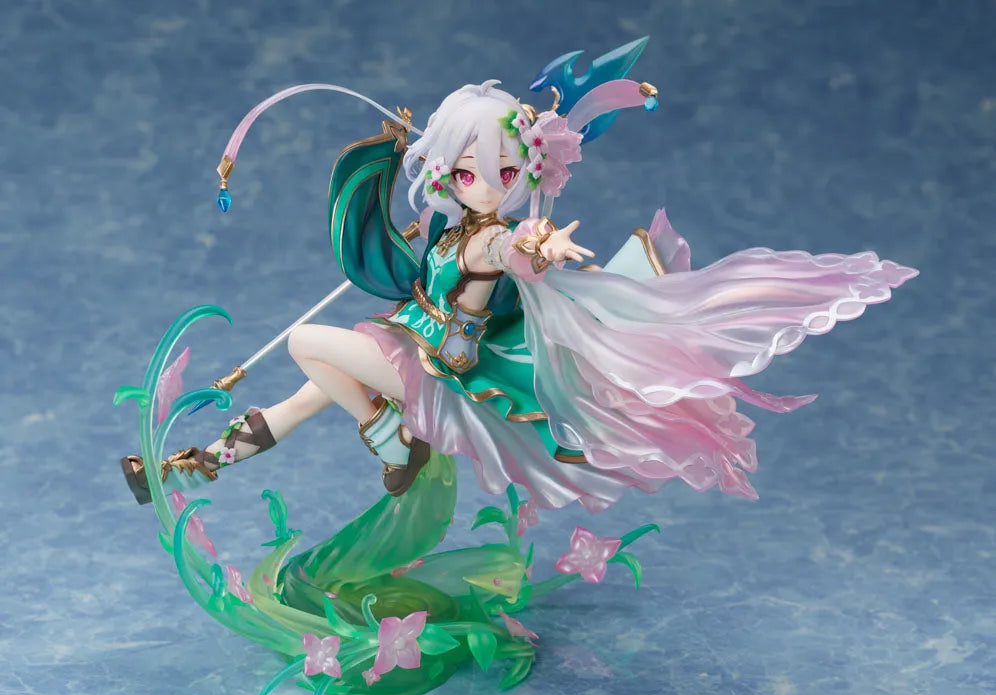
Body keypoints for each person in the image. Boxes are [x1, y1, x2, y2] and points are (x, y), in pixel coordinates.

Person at [122, 79, 917, 513]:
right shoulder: (453, 228)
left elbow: (512, 248)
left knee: (306, 344)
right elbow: (455, 249)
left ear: (528, 170)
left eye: (507, 171)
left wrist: (542, 244)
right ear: (445, 168)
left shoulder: (489, 238)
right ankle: (187, 468)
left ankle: (392, 442)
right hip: (415, 335)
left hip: (442, 364)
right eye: (472, 171)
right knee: (303, 396)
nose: (491, 185)